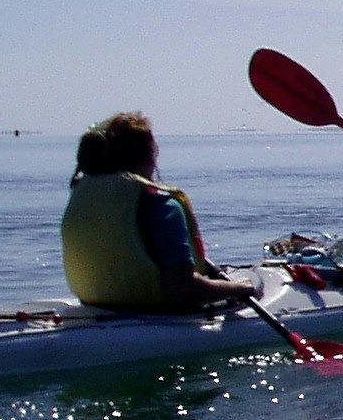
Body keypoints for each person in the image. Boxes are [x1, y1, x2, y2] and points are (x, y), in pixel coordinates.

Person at [61, 112, 256, 310]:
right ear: (148, 156)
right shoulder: (162, 207)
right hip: (156, 317)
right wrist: (239, 288)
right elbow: (182, 289)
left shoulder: (84, 195)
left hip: (96, 309)